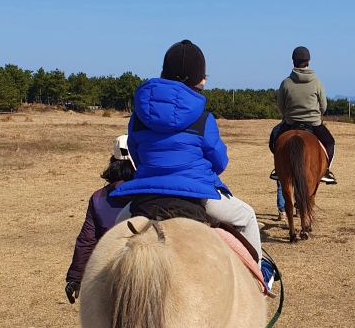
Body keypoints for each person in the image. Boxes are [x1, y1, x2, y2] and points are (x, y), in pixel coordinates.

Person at [112, 40, 271, 283]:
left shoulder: (138, 117)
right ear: (201, 81)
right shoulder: (203, 118)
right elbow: (219, 161)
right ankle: (258, 278)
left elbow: (135, 153)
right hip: (196, 196)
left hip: (146, 196)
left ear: (163, 74)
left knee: (115, 230)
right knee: (248, 216)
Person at [65, 135, 135, 303]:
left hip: (109, 273)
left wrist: (75, 277)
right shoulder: (152, 193)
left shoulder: (99, 197)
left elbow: (87, 240)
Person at [269, 46, 337, 185]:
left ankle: (278, 169)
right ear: (308, 61)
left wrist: (288, 115)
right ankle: (326, 171)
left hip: (290, 122)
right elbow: (323, 105)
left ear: (293, 61)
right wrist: (317, 115)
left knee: (275, 141)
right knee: (330, 143)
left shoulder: (286, 82)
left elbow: (281, 106)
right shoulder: (317, 82)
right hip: (313, 123)